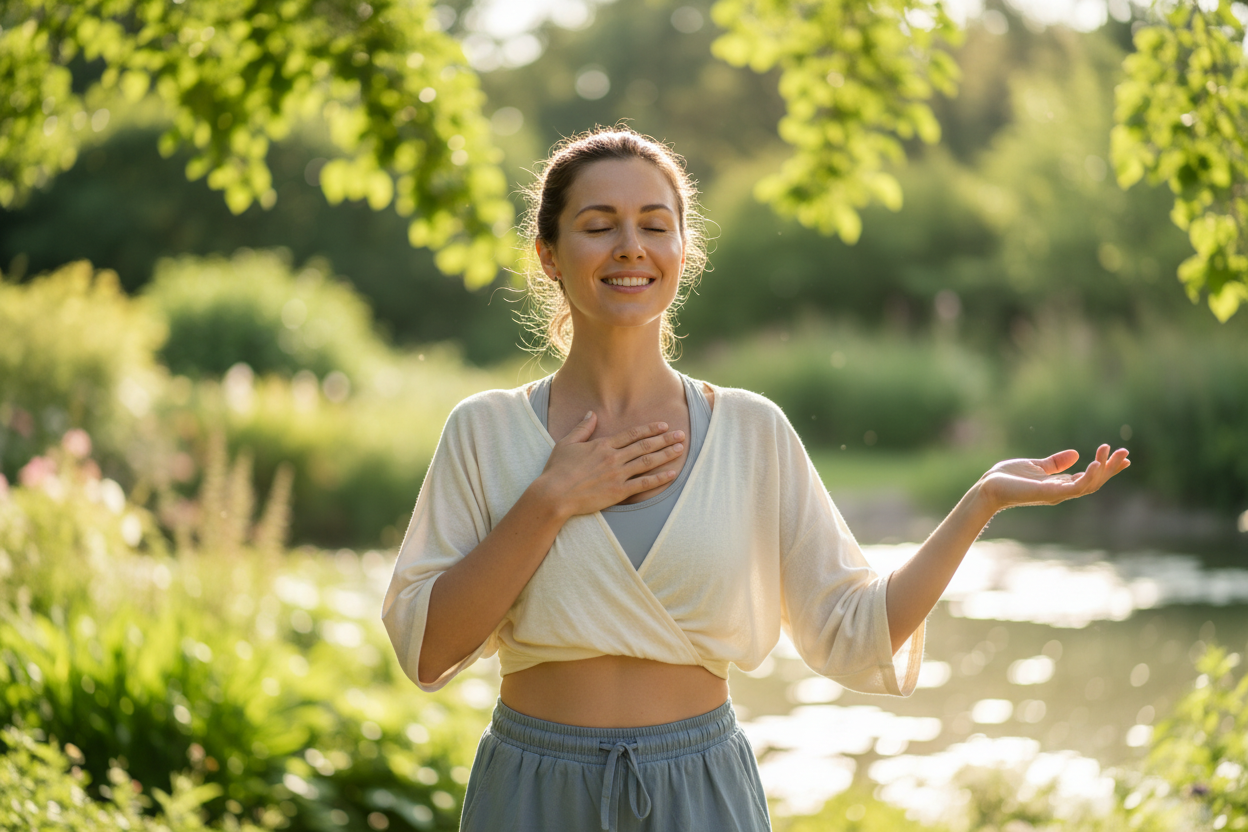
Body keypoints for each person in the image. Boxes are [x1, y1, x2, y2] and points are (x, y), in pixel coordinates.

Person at [381, 127, 1130, 832]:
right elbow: (429, 650)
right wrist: (550, 500)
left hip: (699, 787)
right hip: (533, 790)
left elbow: (855, 627)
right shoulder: (483, 432)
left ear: (683, 247)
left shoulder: (750, 432)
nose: (630, 247)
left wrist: (982, 501)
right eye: (599, 223)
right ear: (548, 253)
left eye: (654, 223)